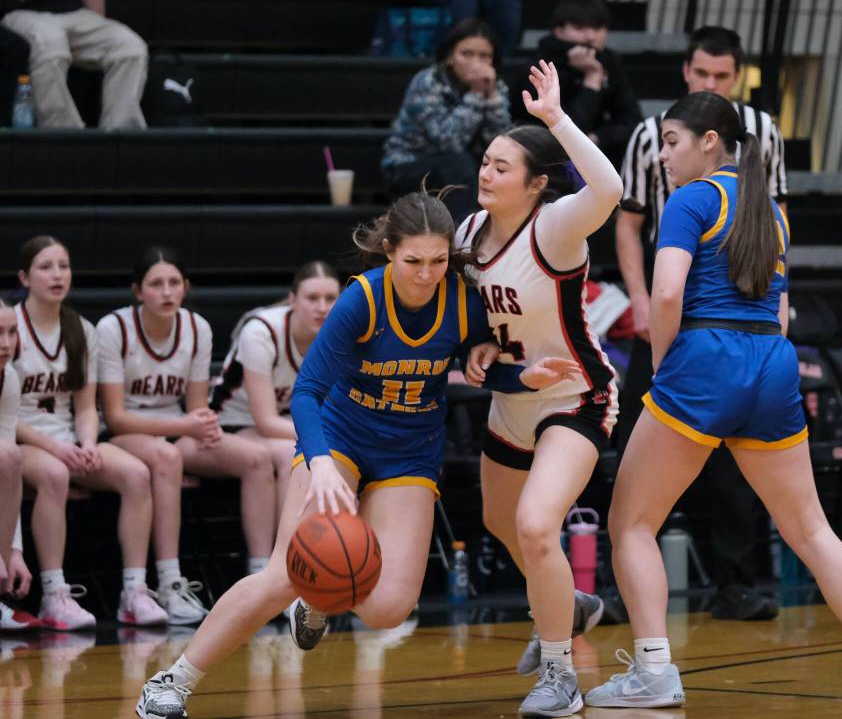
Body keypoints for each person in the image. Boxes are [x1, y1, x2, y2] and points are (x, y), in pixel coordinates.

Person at [134, 189, 580, 719]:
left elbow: (481, 366)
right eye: (414, 261)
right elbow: (305, 393)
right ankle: (170, 684)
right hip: (339, 441)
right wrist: (319, 461)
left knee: (388, 609)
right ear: (389, 251)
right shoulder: (361, 300)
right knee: (282, 575)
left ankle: (320, 598)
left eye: (439, 261)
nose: (426, 273)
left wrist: (521, 378)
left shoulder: (461, 300)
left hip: (409, 454)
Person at [584, 92, 842, 708]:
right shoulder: (771, 209)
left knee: (631, 523)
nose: (662, 155)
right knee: (810, 527)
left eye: (672, 140)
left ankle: (655, 673)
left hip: (705, 358)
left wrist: (666, 365)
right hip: (771, 360)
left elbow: (664, 296)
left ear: (709, 142)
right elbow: (782, 309)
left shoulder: (691, 199)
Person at [449, 59, 623, 716]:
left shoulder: (554, 227)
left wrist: (556, 118)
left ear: (536, 183)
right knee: (499, 520)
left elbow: (608, 188)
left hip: (575, 396)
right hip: (512, 399)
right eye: (485, 162)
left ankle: (559, 676)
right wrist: (475, 345)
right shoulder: (467, 235)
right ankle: (570, 605)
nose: (486, 173)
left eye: (501, 166)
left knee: (534, 523)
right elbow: (470, 319)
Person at [616, 25, 788, 620]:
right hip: (682, 319)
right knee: (632, 447)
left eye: (722, 76)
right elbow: (629, 221)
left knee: (731, 466)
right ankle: (625, 585)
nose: (711, 82)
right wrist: (639, 299)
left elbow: (775, 227)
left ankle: (731, 583)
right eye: (702, 73)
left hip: (714, 324)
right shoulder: (650, 137)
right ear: (685, 72)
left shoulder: (762, 136)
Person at [97, 248, 280, 624]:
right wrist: (186, 426)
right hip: (125, 435)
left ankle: (262, 580)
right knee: (167, 458)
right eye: (156, 284)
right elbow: (115, 418)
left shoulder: (197, 328)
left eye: (174, 283)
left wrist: (204, 427)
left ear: (186, 288)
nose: (166, 292)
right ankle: (168, 583)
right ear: (138, 291)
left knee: (257, 459)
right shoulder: (113, 328)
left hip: (179, 430)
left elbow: (197, 406)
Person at [13, 235, 166, 630]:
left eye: (63, 265)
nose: (57, 274)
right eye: (46, 267)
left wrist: (86, 442)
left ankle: (134, 592)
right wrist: (56, 448)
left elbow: (84, 406)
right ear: (24, 277)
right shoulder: (9, 326)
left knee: (136, 473)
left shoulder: (80, 329)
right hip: (21, 439)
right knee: (54, 473)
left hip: (67, 437)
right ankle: (53, 595)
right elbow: (4, 415)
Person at [211, 262, 341, 524]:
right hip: (234, 423)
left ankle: (324, 551)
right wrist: (323, 437)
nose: (322, 307)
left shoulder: (338, 335)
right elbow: (266, 421)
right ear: (293, 299)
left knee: (338, 452)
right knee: (294, 453)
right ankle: (281, 556)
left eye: (330, 299)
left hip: (287, 425)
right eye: (313, 298)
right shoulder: (261, 332)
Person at [382, 18, 511, 224]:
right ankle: (463, 237)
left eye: (484, 56)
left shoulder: (495, 86)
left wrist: (493, 97)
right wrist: (477, 95)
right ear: (450, 56)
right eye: (466, 54)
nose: (476, 62)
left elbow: (500, 142)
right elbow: (448, 141)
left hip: (463, 166)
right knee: (459, 164)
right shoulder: (427, 81)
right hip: (410, 165)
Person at [511, 0, 641, 169]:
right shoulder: (538, 69)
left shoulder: (609, 61)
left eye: (598, 28)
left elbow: (632, 120)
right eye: (579, 28)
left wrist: (598, 137)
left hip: (595, 155)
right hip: (542, 158)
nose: (590, 37)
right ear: (558, 30)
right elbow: (562, 137)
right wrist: (592, 80)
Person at [1, 0, 148, 128]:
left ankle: (118, 137)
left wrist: (97, 21)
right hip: (20, 12)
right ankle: (65, 137)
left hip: (73, 12)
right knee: (51, 45)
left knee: (130, 47)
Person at [0, 299, 33, 630]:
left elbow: (7, 473)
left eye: (11, 332)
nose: (5, 343)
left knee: (9, 457)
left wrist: (12, 550)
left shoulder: (8, 377)